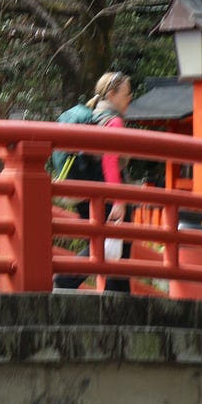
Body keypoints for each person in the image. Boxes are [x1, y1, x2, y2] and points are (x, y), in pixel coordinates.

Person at [53, 71, 134, 294]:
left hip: (86, 193)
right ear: (111, 94)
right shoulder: (113, 121)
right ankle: (64, 282)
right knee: (112, 250)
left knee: (107, 248)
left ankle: (116, 301)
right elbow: (109, 160)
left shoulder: (93, 116)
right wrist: (119, 201)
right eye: (127, 93)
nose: (129, 99)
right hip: (108, 193)